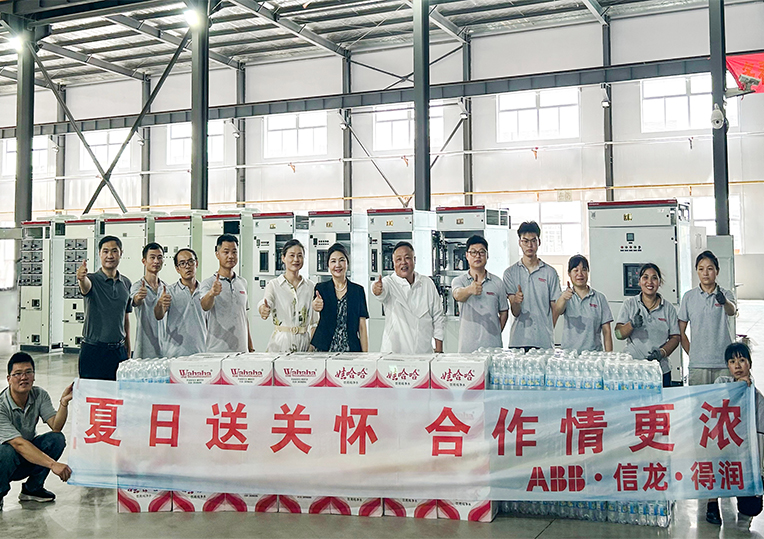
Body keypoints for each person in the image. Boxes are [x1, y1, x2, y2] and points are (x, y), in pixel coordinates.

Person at [0, 353, 73, 510]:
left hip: (27, 456)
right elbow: (18, 444)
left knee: (56, 439)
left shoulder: (39, 394)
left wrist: (64, 402)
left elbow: (56, 427)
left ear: (34, 376)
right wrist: (53, 464)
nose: (23, 377)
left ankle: (32, 489)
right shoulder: (1, 406)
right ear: (9, 379)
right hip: (5, 461)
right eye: (17, 374)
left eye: (28, 372)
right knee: (6, 450)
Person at [705, 342, 763, 526]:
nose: (737, 365)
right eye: (732, 361)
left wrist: (759, 472)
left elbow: (760, 436)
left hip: (744, 456)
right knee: (712, 459)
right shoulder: (721, 383)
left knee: (751, 508)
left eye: (742, 360)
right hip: (721, 447)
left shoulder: (758, 398)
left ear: (750, 363)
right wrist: (737, 389)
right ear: (727, 366)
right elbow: (715, 407)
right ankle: (712, 503)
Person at [372, 241, 445, 354]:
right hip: (394, 355)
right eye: (398, 259)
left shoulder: (427, 283)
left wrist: (439, 350)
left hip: (423, 353)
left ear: (414, 260)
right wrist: (376, 289)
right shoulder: (389, 283)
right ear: (393, 263)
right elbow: (380, 292)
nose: (403, 262)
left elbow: (438, 317)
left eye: (407, 258)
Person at [615, 263, 680, 387]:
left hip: (660, 370)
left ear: (659, 283)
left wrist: (662, 352)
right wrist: (631, 324)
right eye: (645, 277)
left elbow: (675, 337)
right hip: (633, 369)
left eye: (654, 278)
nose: (649, 282)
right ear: (639, 282)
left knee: (661, 400)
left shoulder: (668, 308)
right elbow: (618, 334)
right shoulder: (630, 304)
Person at [77, 235, 132, 380]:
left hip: (118, 351)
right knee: (91, 392)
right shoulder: (92, 279)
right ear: (99, 254)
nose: (110, 256)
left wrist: (128, 348)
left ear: (121, 253)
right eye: (105, 251)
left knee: (117, 391)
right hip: (93, 350)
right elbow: (85, 287)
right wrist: (81, 278)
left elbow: (125, 319)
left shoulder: (126, 283)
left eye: (114, 251)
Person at [679, 250, 737, 386]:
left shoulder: (726, 294)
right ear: (697, 271)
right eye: (701, 269)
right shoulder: (689, 297)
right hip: (698, 366)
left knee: (724, 399)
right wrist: (692, 354)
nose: (705, 273)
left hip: (724, 363)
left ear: (717, 271)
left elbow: (732, 311)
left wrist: (724, 302)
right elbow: (680, 331)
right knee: (699, 399)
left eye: (710, 269)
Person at [503, 221, 561, 349]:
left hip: (544, 342)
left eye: (533, 240)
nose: (529, 245)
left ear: (539, 242)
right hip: (518, 341)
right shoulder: (510, 273)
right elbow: (515, 312)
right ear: (519, 242)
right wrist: (516, 301)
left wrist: (547, 328)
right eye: (525, 241)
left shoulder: (550, 272)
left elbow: (555, 308)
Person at [451, 235, 508, 353]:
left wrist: (495, 332)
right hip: (467, 348)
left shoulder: (497, 282)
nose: (477, 256)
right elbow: (457, 295)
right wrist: (470, 290)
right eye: (473, 252)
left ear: (487, 255)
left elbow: (504, 312)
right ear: (467, 256)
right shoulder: (459, 281)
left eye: (482, 252)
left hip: (493, 348)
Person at [259, 239, 318, 353]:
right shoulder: (274, 285)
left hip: (304, 344)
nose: (296, 259)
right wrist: (263, 309)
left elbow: (315, 322)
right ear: (283, 258)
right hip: (280, 344)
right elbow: (266, 302)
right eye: (292, 255)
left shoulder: (310, 286)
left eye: (300, 256)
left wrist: (311, 346)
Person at [310, 243, 369, 352]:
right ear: (328, 265)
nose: (337, 265)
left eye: (341, 260)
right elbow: (315, 312)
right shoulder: (321, 289)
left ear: (347, 263)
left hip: (351, 350)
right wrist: (315, 305)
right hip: (324, 349)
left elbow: (362, 326)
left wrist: (365, 355)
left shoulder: (358, 291)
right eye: (333, 261)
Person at [200, 235, 253, 353]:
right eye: (226, 252)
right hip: (216, 352)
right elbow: (204, 306)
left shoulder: (242, 282)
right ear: (217, 254)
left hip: (241, 351)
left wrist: (250, 347)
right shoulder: (208, 283)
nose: (231, 256)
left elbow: (244, 316)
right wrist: (212, 293)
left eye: (234, 252)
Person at [154, 248, 208, 358]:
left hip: (201, 353)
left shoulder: (205, 292)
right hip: (175, 355)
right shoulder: (169, 291)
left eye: (190, 262)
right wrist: (160, 304)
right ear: (177, 269)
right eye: (182, 263)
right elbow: (158, 315)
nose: (187, 266)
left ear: (196, 263)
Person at [557, 255, 614, 353]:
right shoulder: (565, 297)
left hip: (593, 355)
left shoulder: (599, 298)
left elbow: (607, 331)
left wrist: (609, 356)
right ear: (569, 274)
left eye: (584, 270)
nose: (580, 274)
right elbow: (557, 311)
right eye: (576, 270)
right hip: (569, 355)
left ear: (588, 272)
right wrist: (563, 298)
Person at [130, 242, 166, 359]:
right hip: (143, 350)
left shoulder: (166, 288)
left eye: (159, 257)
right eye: (152, 257)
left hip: (164, 350)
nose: (156, 261)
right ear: (144, 261)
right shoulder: (137, 286)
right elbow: (135, 301)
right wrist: (139, 297)